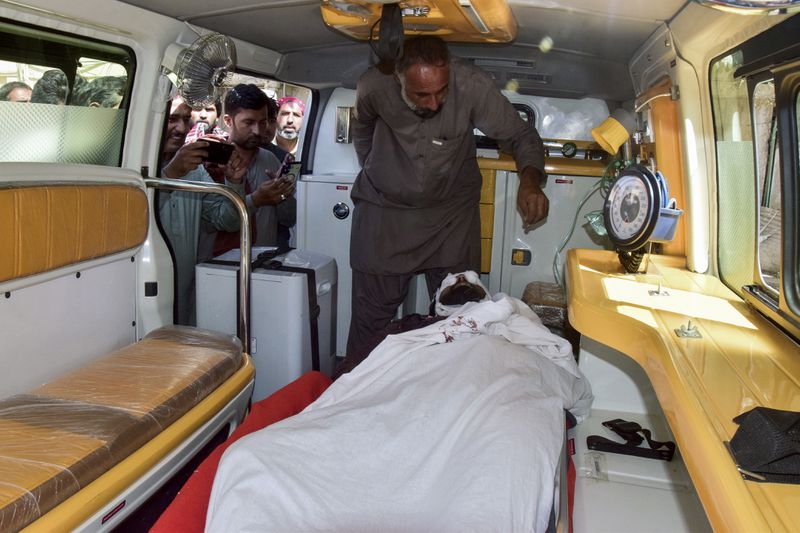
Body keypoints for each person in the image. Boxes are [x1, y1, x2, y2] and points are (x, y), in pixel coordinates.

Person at [347, 35, 548, 357]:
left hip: (450, 216)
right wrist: (375, 168)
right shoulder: (373, 86)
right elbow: (362, 130)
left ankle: (448, 397)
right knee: (370, 321)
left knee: (462, 317)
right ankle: (352, 395)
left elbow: (521, 135)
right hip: (385, 212)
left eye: (442, 91)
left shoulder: (472, 85)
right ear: (398, 78)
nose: (434, 103)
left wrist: (530, 181)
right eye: (421, 94)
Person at [158, 94, 246, 326]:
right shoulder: (131, 162)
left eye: (186, 119)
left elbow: (228, 221)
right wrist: (169, 175)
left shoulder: (194, 171)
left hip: (186, 294)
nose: (181, 128)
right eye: (172, 119)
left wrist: (234, 183)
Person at [207, 84, 295, 253]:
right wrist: (257, 199)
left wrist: (283, 194)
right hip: (222, 266)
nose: (257, 131)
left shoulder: (270, 159)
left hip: (264, 262)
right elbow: (217, 221)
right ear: (227, 121)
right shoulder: (213, 162)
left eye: (262, 123)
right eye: (249, 122)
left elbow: (289, 219)